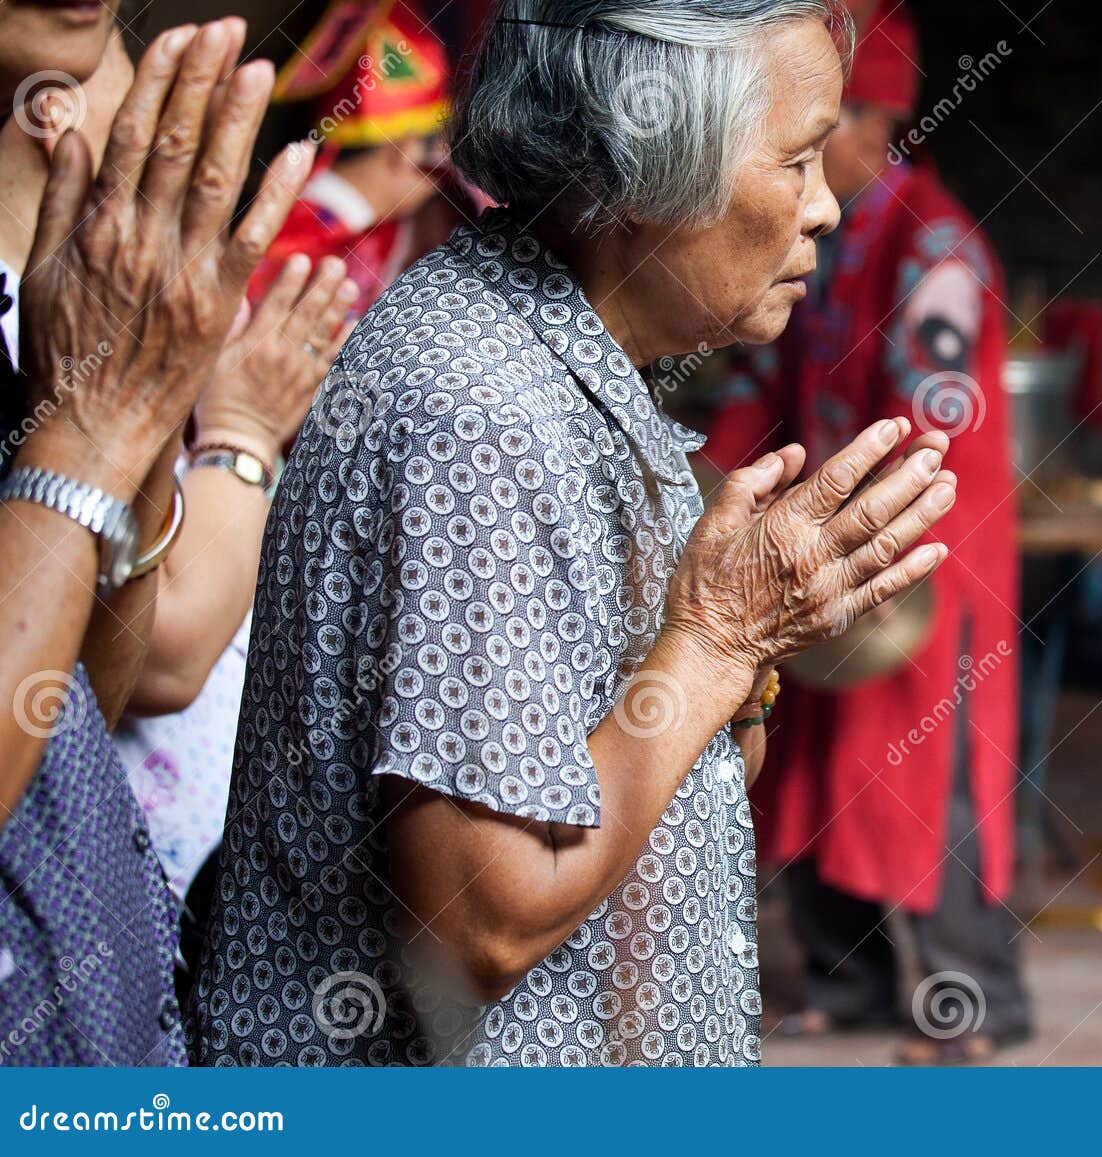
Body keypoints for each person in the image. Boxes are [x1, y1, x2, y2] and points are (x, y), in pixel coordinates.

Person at [188, 0, 958, 1068]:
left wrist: (747, 655)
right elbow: (479, 922)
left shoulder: (580, 372)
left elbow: (667, 791)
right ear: (645, 174)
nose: (823, 209)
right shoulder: (478, 413)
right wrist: (720, 642)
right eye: (794, 161)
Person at [699, 3, 1030, 1063]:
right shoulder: (823, 230)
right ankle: (850, 983)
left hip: (927, 551)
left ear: (875, 118)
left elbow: (930, 411)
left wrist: (875, 531)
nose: (798, 146)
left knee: (934, 773)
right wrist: (705, 486)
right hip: (835, 536)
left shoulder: (933, 245)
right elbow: (761, 376)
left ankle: (979, 999)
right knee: (808, 757)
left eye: (819, 122)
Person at [0, 13, 311, 1064]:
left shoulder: (60, 303)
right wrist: (223, 437)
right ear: (53, 133)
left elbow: (88, 671)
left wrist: (131, 420)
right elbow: (163, 658)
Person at [251, 1, 461, 316]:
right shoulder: (292, 238)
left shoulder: (392, 229)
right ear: (405, 153)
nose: (438, 186)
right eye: (438, 168)